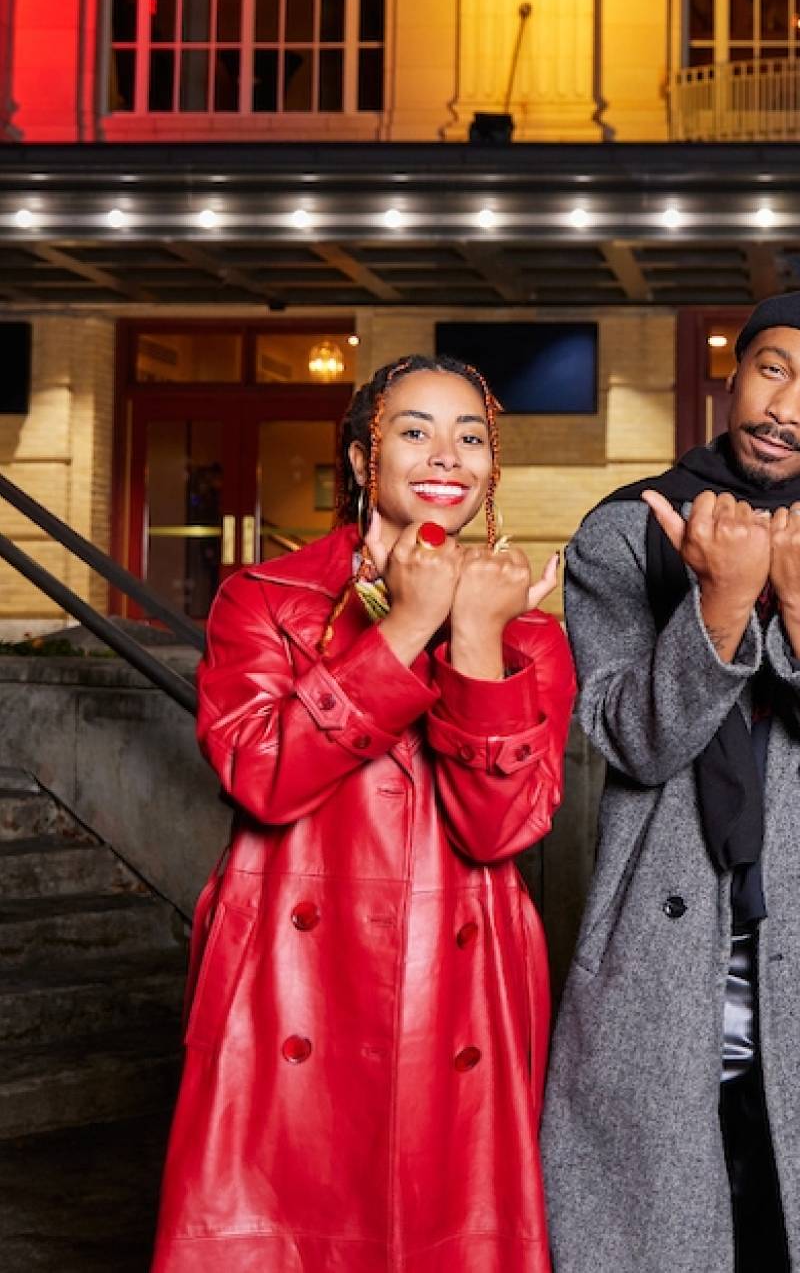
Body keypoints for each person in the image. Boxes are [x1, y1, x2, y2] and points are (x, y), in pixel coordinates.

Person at [542, 288, 800, 1273]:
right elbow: (636, 742)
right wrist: (721, 603)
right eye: (772, 370)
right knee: (662, 1231)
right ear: (732, 377)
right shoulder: (628, 531)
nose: (786, 406)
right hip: (656, 958)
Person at [151, 354, 575, 1273]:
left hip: (456, 990)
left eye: (472, 437)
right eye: (415, 431)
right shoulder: (264, 599)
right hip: (289, 977)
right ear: (359, 458)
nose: (447, 455)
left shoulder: (528, 627)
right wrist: (409, 626)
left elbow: (499, 829)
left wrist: (475, 636)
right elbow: (263, 777)